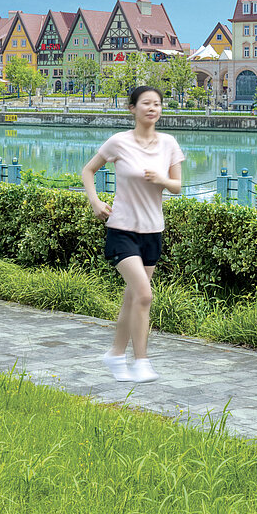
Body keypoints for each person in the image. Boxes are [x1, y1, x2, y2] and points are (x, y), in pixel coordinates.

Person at [81, 85, 183, 383]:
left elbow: (177, 186)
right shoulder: (118, 142)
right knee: (144, 294)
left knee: (132, 299)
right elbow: (88, 171)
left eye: (158, 104)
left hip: (152, 230)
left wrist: (161, 178)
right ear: (132, 108)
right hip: (121, 229)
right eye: (146, 103)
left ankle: (114, 354)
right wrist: (95, 201)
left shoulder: (169, 144)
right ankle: (141, 361)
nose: (153, 108)